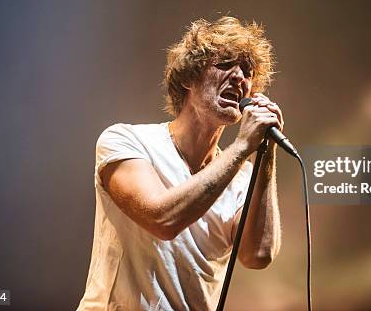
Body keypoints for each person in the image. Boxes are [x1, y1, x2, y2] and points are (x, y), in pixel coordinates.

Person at [78, 16, 283, 310]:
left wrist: (266, 153)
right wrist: (241, 147)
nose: (240, 78)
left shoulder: (242, 176)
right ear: (189, 77)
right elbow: (161, 220)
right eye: (225, 64)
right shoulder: (127, 140)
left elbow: (258, 255)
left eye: (247, 72)